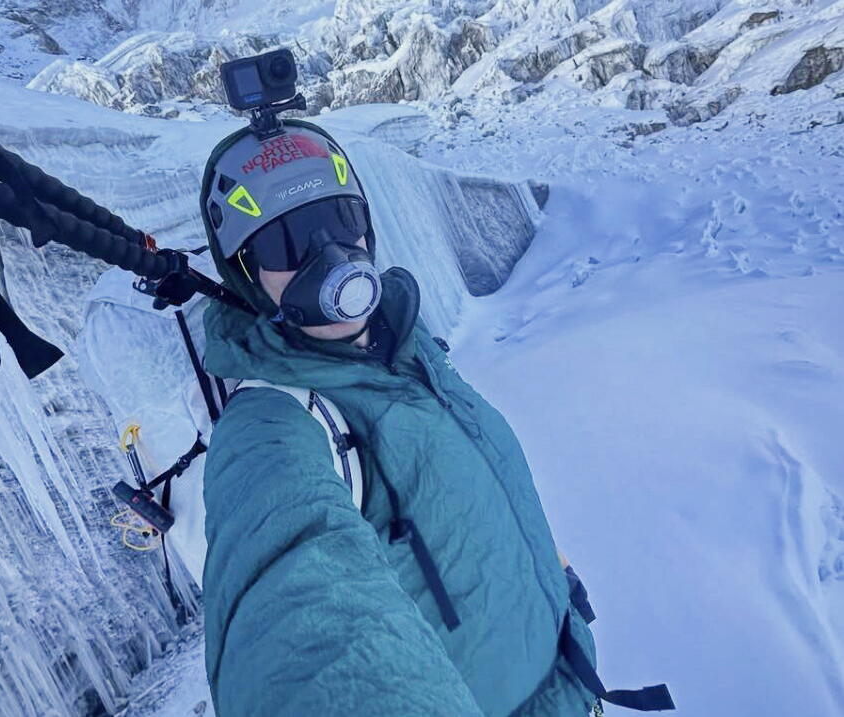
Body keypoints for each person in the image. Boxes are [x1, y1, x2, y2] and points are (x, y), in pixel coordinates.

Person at [197, 120, 649, 717]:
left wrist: (553, 582)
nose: (329, 254)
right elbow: (296, 613)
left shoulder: (408, 348)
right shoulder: (273, 427)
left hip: (570, 687)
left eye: (341, 221)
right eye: (285, 243)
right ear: (247, 274)